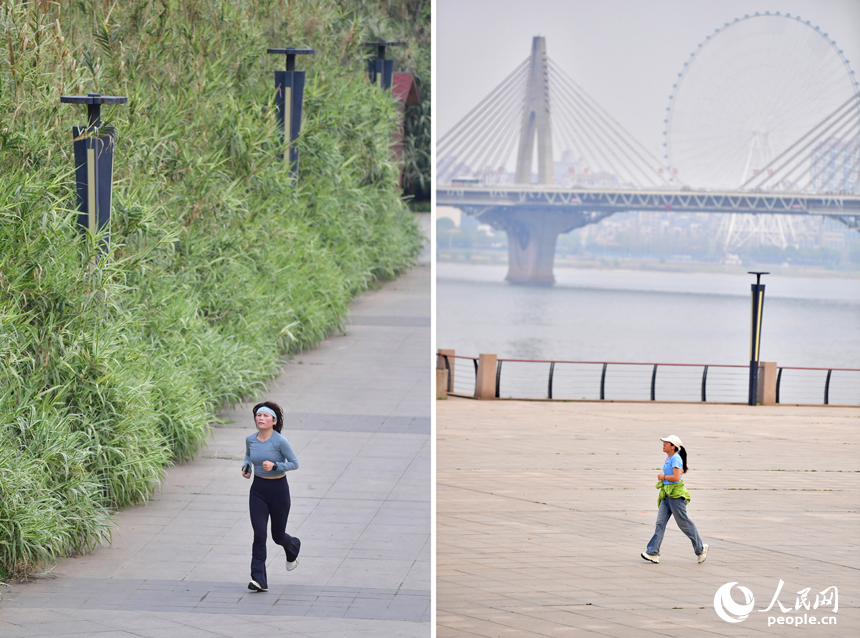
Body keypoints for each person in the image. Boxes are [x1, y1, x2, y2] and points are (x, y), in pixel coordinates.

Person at [242, 401, 301, 592]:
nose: (261, 418)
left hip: (279, 491)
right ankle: (258, 579)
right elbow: (248, 456)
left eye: (265, 415)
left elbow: (294, 463)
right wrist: (246, 467)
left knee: (277, 536)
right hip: (258, 490)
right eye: (258, 415)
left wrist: (276, 466)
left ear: (274, 420)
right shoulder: (250, 439)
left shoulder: (280, 441)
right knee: (259, 535)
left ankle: (292, 545)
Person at [641, 435, 708, 564]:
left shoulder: (676, 458)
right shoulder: (669, 457)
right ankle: (653, 552)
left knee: (684, 524)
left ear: (673, 446)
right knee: (660, 523)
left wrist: (663, 476)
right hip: (666, 495)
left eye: (666, 443)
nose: (663, 445)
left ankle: (700, 549)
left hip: (676, 496)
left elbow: (677, 477)